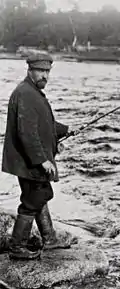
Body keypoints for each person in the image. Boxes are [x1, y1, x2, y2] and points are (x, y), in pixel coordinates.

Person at [2, 53, 72, 260]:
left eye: (47, 72)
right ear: (30, 70)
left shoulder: (31, 92)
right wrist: (42, 160)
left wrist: (65, 130)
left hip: (27, 160)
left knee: (39, 196)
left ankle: (49, 239)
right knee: (32, 200)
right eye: (40, 71)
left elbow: (44, 125)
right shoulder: (26, 94)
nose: (45, 76)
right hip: (29, 162)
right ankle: (17, 247)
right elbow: (27, 133)